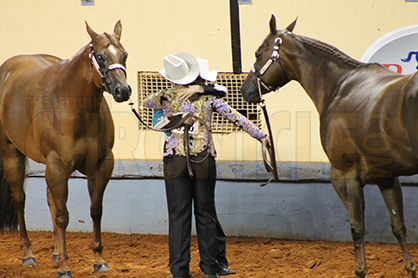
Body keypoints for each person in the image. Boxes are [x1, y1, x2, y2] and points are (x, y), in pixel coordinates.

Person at [144, 52, 267, 278]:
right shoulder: (210, 98)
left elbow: (146, 104)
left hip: (175, 161)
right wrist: (261, 135)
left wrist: (175, 113)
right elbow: (236, 116)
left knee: (178, 216)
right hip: (203, 159)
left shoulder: (164, 96)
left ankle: (179, 272)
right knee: (206, 214)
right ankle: (210, 269)